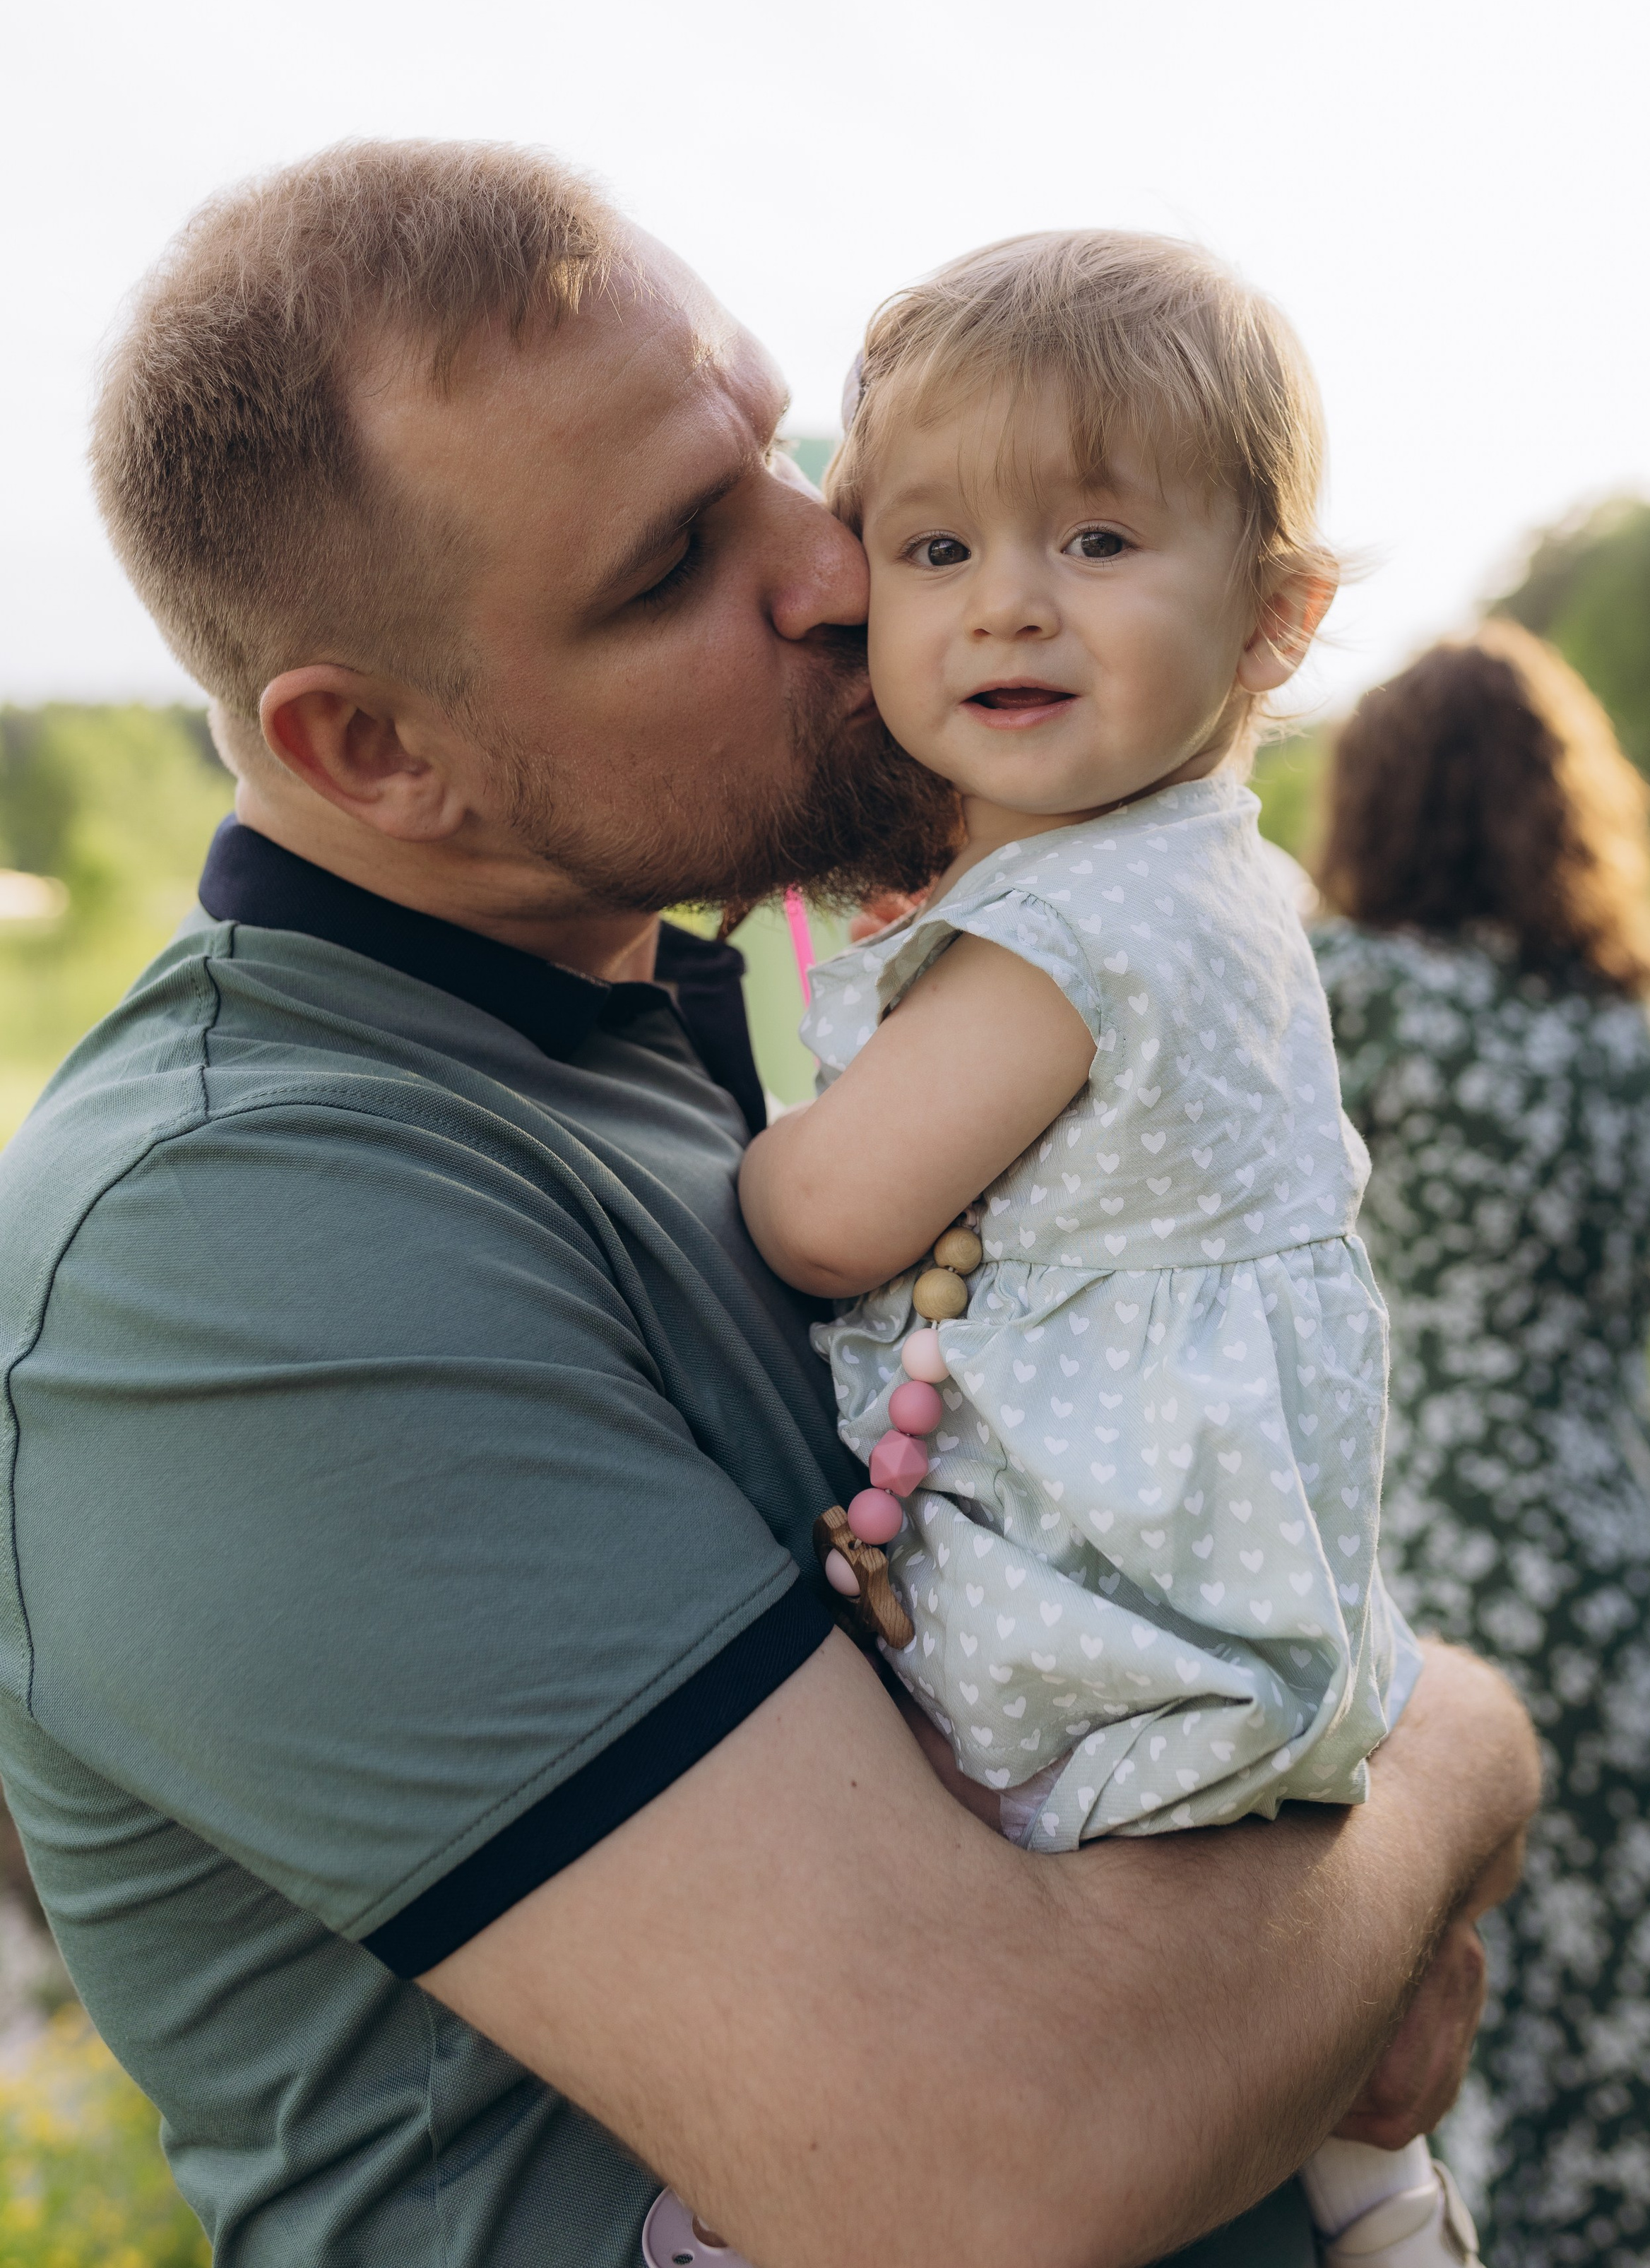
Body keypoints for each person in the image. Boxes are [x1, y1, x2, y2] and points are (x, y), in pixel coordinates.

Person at [0, 142, 1538, 2268]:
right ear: (373, 750)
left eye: (777, 453)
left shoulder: (637, 1003)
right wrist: (1457, 1762)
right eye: (667, 569)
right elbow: (1000, 2159)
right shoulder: (224, 1250)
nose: (833, 574)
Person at [739, 232, 1494, 2268]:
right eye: (932, 549)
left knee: (938, 1909)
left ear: (1273, 617)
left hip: (1110, 1613)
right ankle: (1379, 2189)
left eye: (1092, 535)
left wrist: (731, 1157)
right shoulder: (1196, 870)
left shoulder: (1071, 931)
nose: (1007, 600)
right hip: (1229, 1588)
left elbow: (825, 1216)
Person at [1311, 624, 1650, 2268]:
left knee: (1476, 1972)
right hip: (1625, 1535)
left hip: (1453, 1533)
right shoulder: (1627, 1024)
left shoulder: (1370, 997)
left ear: (1383, 808)